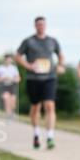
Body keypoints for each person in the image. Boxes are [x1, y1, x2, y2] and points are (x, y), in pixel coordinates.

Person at [16, 16, 65, 149]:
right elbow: (18, 56)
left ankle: (50, 136)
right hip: (33, 78)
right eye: (38, 24)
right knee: (35, 107)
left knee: (50, 105)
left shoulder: (52, 41)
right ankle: (36, 134)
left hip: (50, 77)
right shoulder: (28, 41)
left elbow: (60, 55)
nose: (41, 26)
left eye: (43, 24)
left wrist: (61, 65)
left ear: (46, 26)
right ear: (35, 26)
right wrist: (28, 66)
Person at [0, 53, 20, 118]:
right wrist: (3, 78)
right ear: (4, 60)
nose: (8, 61)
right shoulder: (0, 68)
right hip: (4, 85)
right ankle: (8, 115)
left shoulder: (14, 68)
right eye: (7, 59)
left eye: (10, 59)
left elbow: (18, 78)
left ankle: (12, 112)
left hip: (12, 85)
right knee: (6, 99)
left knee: (12, 102)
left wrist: (13, 79)